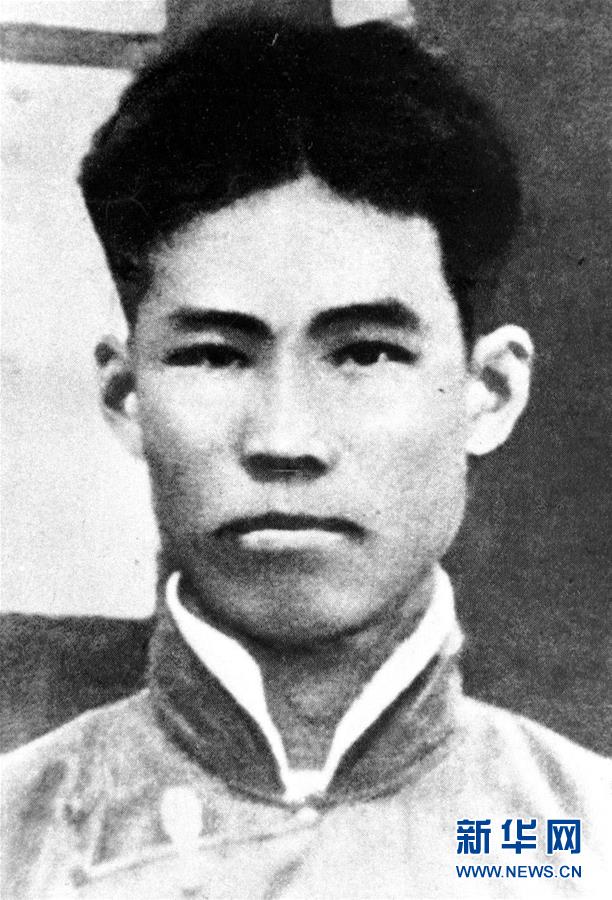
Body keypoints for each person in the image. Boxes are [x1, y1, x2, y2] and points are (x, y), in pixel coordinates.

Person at [2, 15, 609, 899]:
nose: (285, 439)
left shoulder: (586, 839)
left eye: (366, 352)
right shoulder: (15, 842)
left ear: (490, 390)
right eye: (215, 355)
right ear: (127, 395)